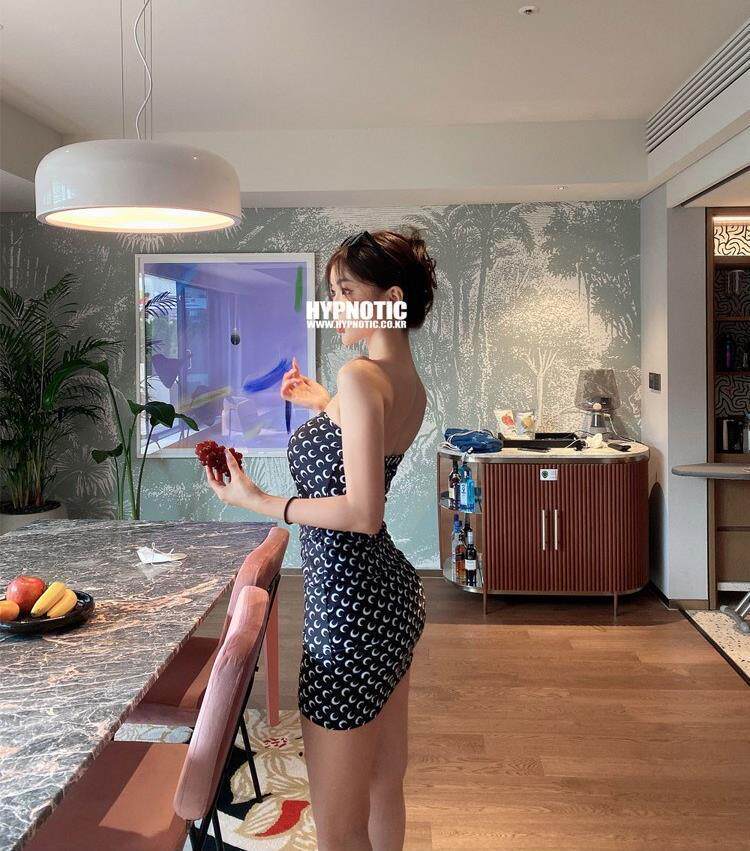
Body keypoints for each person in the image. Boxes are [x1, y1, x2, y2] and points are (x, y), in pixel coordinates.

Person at [204, 227, 437, 850]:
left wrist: (260, 501)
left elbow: (362, 512)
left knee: (337, 829)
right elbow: (367, 440)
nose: (334, 306)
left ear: (390, 299)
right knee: (384, 783)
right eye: (332, 293)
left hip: (348, 610)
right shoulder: (402, 381)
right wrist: (323, 402)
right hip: (390, 599)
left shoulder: (360, 376)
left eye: (346, 292)